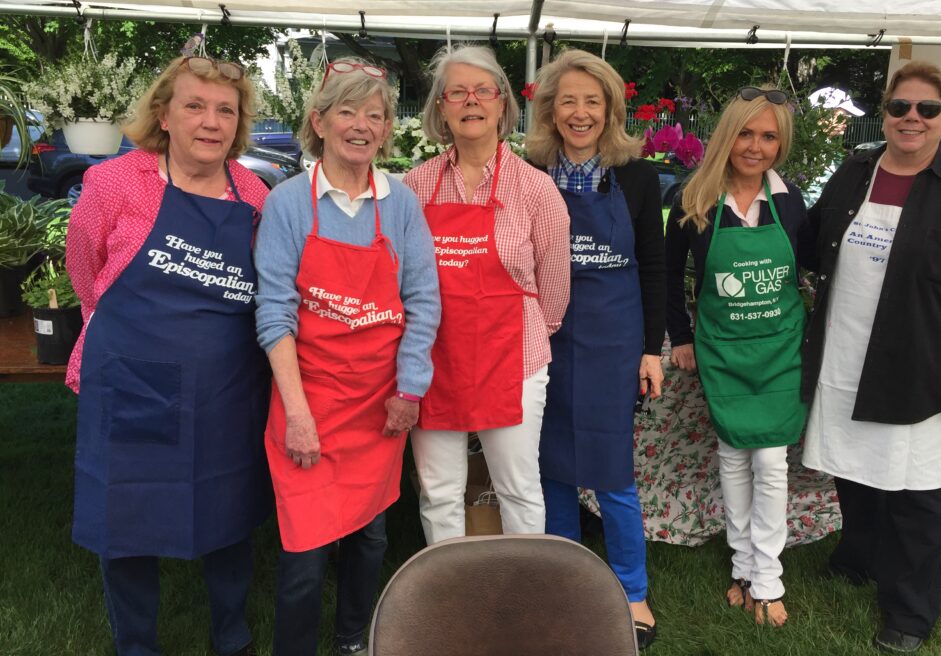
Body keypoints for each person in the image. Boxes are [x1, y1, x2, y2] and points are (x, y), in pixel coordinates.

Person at [66, 56, 271, 656]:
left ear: (238, 124)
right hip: (135, 381)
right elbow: (86, 272)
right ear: (163, 113)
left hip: (227, 386)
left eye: (225, 111)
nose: (211, 122)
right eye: (195, 106)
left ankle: (231, 637)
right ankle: (136, 644)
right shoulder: (115, 183)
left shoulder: (253, 192)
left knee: (229, 507)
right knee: (126, 514)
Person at [801, 61, 941, 654]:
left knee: (914, 491)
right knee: (852, 468)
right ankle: (859, 556)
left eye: (926, 110)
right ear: (885, 113)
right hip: (847, 347)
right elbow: (812, 240)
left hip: (923, 359)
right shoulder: (857, 169)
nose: (911, 119)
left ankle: (910, 612)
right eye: (899, 108)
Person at [254, 59, 440, 656]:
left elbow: (422, 303)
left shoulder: (402, 205)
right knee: (305, 554)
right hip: (307, 398)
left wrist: (409, 390)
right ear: (319, 120)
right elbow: (274, 314)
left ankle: (354, 640)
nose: (361, 125)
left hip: (376, 405)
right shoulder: (287, 204)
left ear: (387, 129)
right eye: (347, 111)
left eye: (375, 114)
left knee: (370, 539)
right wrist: (298, 413)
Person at [524, 49, 665, 649]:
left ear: (609, 110)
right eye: (568, 100)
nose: (580, 112)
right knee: (551, 468)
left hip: (614, 338)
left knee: (612, 474)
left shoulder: (636, 175)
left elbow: (655, 267)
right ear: (551, 110)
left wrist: (651, 349)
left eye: (593, 100)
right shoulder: (528, 171)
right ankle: (565, 580)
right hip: (545, 335)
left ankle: (632, 592)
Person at [404, 45, 571, 545]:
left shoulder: (535, 190)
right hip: (436, 361)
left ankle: (524, 598)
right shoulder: (414, 187)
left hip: (512, 360)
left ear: (502, 105)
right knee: (438, 491)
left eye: (483, 91)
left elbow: (555, 291)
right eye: (457, 92)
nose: (470, 101)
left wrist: (516, 335)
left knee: (517, 489)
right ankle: (450, 594)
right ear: (440, 108)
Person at [665, 86, 809, 628]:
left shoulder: (791, 200)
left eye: (768, 136)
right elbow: (668, 274)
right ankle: (742, 566)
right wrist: (680, 336)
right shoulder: (693, 198)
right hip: (722, 349)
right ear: (728, 136)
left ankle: (767, 577)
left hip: (778, 349)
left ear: (781, 143)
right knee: (732, 458)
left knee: (770, 462)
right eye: (746, 133)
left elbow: (812, 264)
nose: (755, 146)